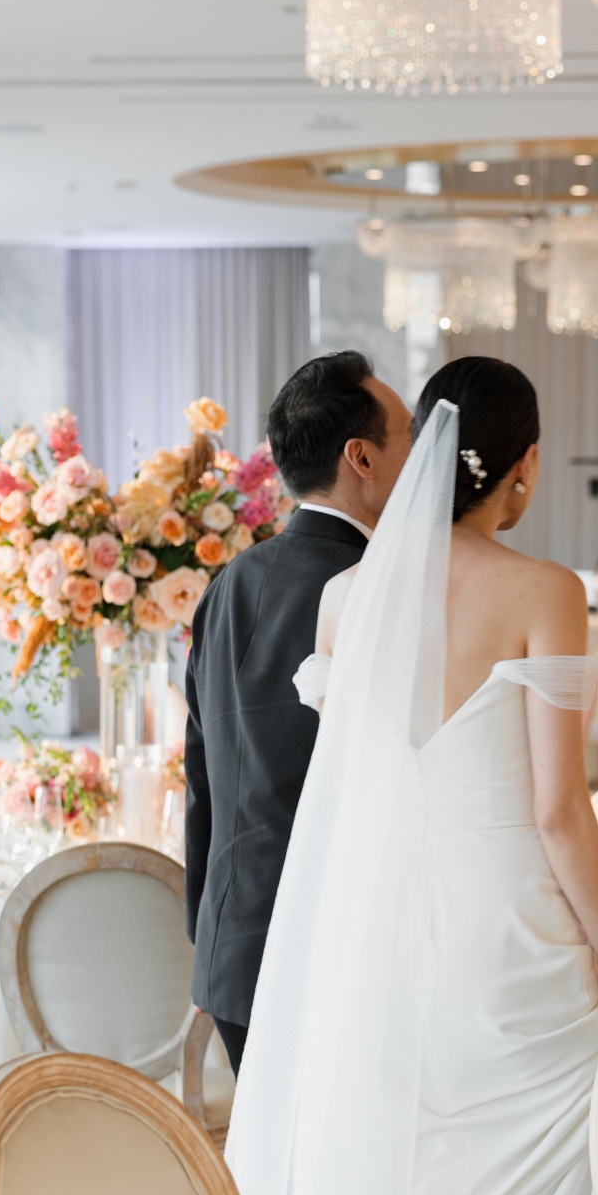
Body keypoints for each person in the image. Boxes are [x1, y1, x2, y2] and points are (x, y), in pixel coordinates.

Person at [226, 357, 598, 1195]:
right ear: (521, 467)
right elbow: (563, 814)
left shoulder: (348, 599)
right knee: (552, 1185)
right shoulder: (546, 586)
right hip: (508, 930)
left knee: (392, 1173)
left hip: (388, 927)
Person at [183, 351, 412, 1074]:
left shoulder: (230, 581)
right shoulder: (375, 589)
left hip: (229, 946)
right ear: (362, 456)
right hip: (329, 947)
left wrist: (209, 929)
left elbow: (201, 775)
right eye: (409, 434)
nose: (422, 453)